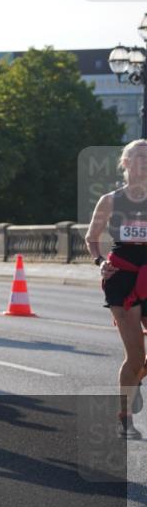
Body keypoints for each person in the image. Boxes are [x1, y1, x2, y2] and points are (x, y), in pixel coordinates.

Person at [87, 138, 147, 440]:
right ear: (125, 163)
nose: (143, 163)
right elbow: (91, 237)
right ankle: (124, 418)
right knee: (136, 357)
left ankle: (133, 384)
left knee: (140, 365)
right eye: (137, 157)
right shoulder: (110, 200)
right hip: (121, 279)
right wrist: (99, 261)